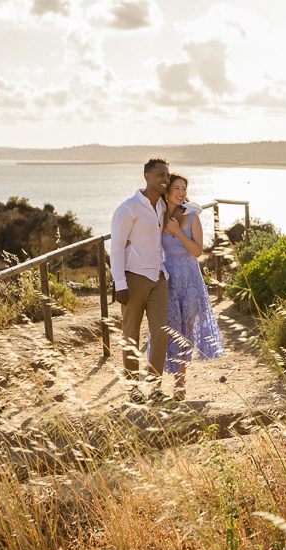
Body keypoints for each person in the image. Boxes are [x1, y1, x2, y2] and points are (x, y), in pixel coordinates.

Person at [160, 173, 225, 400]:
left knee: (185, 330)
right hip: (168, 279)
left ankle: (180, 382)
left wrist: (178, 231)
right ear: (167, 192)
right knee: (170, 326)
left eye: (184, 189)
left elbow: (197, 251)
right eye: (176, 188)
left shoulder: (192, 215)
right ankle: (162, 378)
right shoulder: (158, 215)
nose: (181, 193)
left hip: (190, 279)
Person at [110, 157, 171, 402]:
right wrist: (120, 283)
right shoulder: (128, 208)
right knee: (131, 335)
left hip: (159, 277)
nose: (165, 179)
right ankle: (133, 390)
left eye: (167, 175)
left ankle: (155, 389)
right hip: (133, 278)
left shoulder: (163, 206)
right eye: (160, 175)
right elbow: (116, 247)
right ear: (146, 176)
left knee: (161, 333)